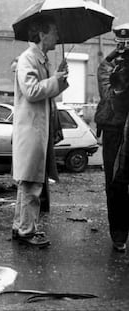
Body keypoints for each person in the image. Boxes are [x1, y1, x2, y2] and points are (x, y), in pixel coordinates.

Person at [11, 15, 69, 247]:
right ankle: (26, 231)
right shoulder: (28, 59)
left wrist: (60, 79)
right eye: (54, 31)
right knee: (31, 183)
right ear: (43, 34)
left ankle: (20, 227)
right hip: (31, 130)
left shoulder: (40, 59)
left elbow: (45, 92)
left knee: (28, 182)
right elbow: (32, 91)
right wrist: (55, 79)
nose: (58, 36)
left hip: (36, 130)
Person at [95, 23, 129, 252]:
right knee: (114, 184)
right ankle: (118, 234)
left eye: (127, 43)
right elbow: (109, 96)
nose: (123, 47)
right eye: (120, 43)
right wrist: (120, 81)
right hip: (113, 130)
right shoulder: (106, 66)